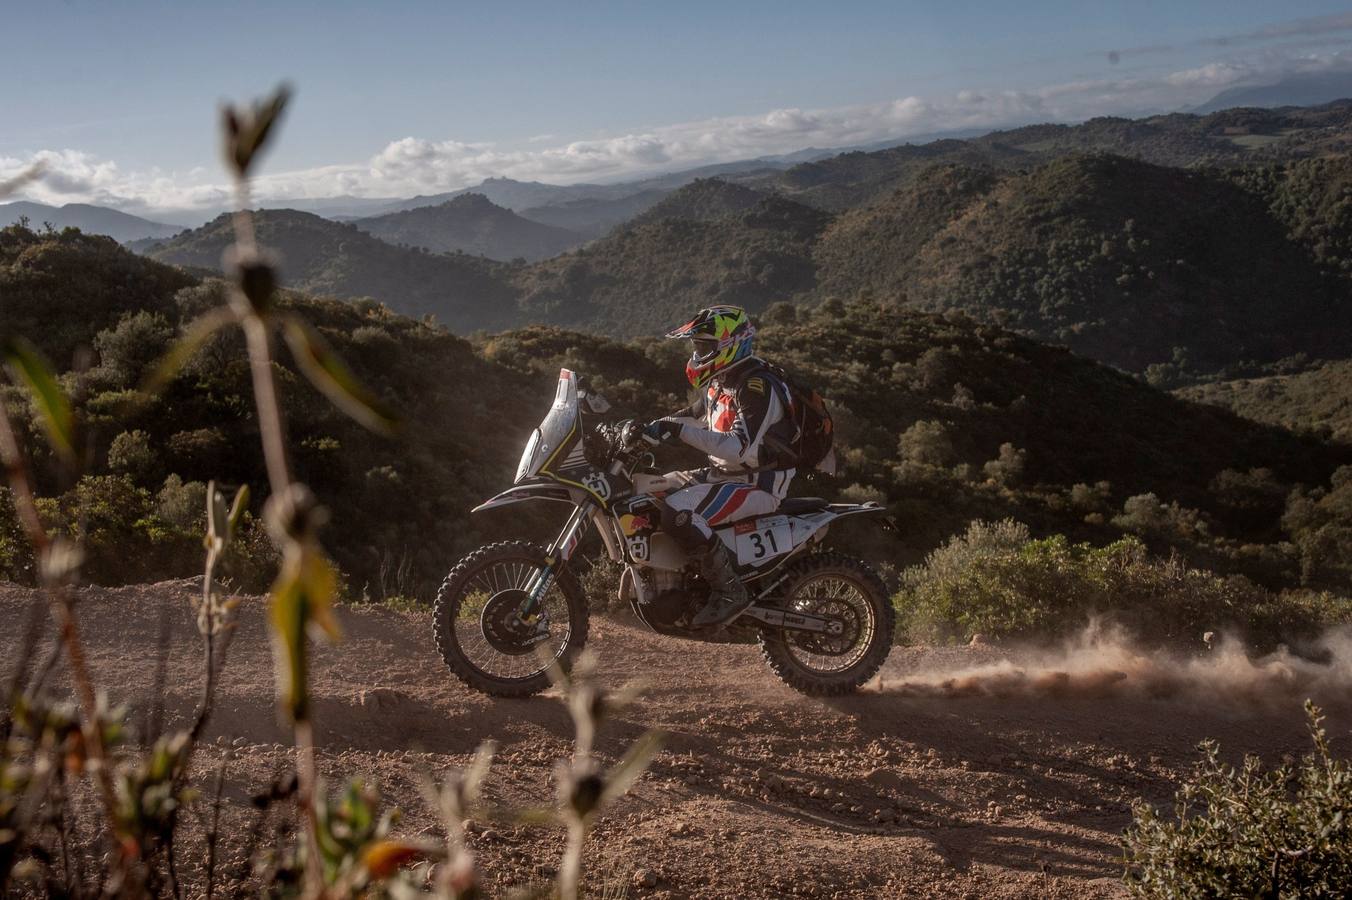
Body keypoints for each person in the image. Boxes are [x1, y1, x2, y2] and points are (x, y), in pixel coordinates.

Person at [642, 305, 797, 627]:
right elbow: (693, 415)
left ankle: (729, 592)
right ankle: (674, 585)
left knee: (677, 510)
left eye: (705, 346)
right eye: (697, 346)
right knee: (647, 493)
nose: (699, 353)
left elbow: (738, 449)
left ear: (730, 345)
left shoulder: (757, 387)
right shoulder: (721, 381)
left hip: (757, 482)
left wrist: (678, 432)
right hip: (723, 475)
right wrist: (644, 429)